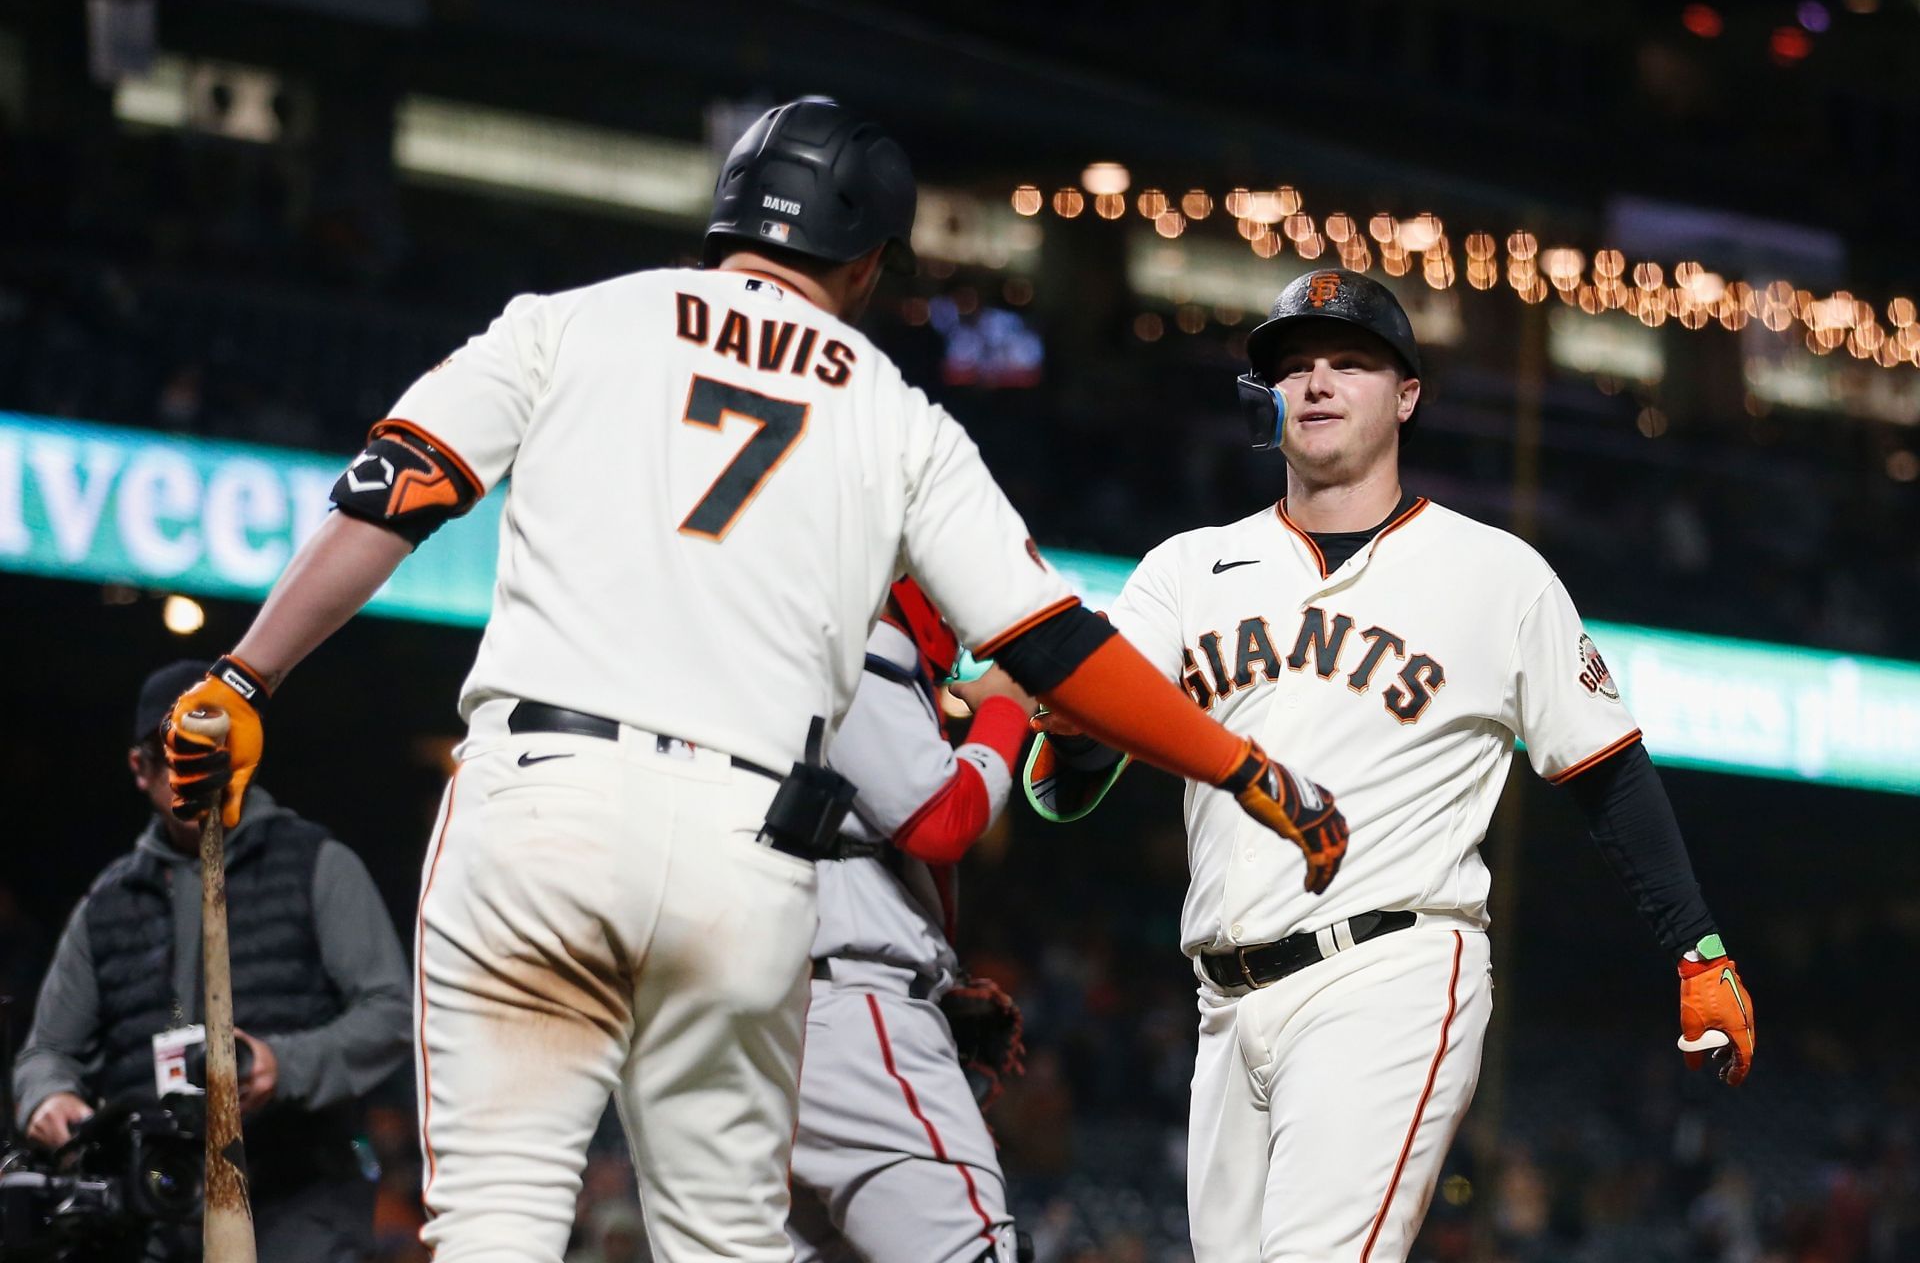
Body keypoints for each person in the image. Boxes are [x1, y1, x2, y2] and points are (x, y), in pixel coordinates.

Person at [158, 98, 1351, 1263]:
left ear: (728, 214)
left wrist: (243, 676)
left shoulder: (577, 320)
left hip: (540, 797)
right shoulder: (896, 415)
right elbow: (1054, 648)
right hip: (744, 852)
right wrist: (1239, 763)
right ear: (871, 264)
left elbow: (396, 488)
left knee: (495, 1229)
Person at [1025, 268, 1756, 1262]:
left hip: (1392, 969)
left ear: (1406, 394)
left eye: (1351, 361)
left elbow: (1607, 773)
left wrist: (1698, 946)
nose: (1319, 381)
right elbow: (1067, 786)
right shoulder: (1183, 571)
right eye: (1296, 365)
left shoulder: (1495, 574)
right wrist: (1059, 718)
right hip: (1222, 1001)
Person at [14, 658, 412, 1261]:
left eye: (214, 742)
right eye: (175, 747)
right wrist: (48, 1098)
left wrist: (287, 1065)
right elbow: (47, 1051)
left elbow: (390, 1013)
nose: (199, 761)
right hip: (152, 1212)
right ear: (141, 769)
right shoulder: (107, 904)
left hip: (296, 1199)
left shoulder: (316, 866)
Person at [788, 580, 1034, 1263]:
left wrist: (937, 987)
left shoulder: (762, 636)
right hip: (848, 1021)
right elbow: (943, 821)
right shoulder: (852, 631)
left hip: (766, 1011)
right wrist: (1007, 710)